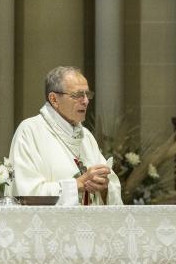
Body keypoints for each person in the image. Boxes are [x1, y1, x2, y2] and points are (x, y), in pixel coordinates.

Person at [9, 66, 122, 205]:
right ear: (54, 99)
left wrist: (104, 189)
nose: (86, 101)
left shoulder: (86, 137)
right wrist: (77, 185)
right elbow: (26, 193)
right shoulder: (30, 131)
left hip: (90, 225)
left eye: (87, 94)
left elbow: (109, 188)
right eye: (77, 95)